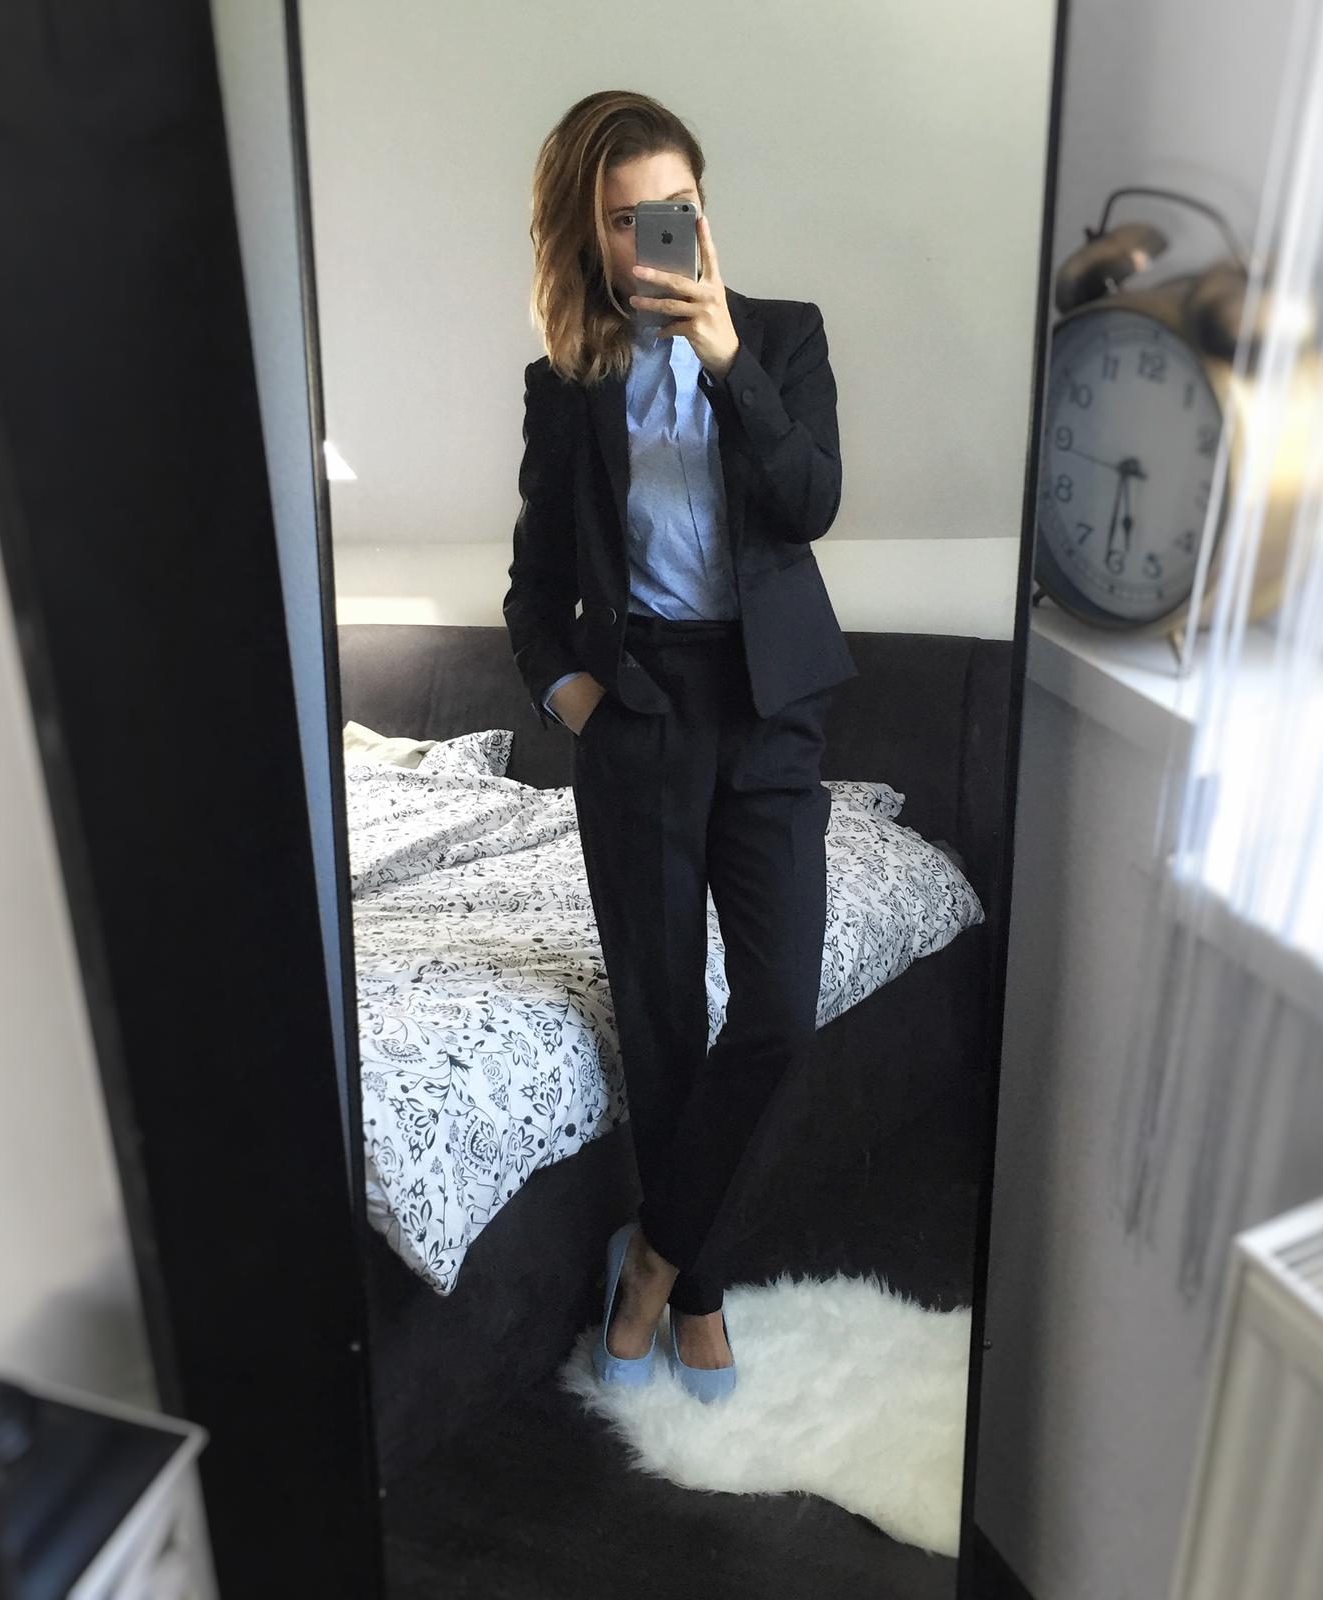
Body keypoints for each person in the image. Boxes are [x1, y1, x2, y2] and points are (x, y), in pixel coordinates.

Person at [503, 90, 858, 1403]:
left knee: (776, 1013)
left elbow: (810, 502)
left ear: (703, 211)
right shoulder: (565, 388)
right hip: (641, 712)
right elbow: (533, 592)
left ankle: (650, 1256)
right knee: (659, 1019)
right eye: (626, 218)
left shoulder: (783, 336)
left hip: (770, 707)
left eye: (678, 208)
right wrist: (578, 705)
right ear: (587, 236)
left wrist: (726, 361)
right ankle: (697, 1289)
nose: (657, 234)